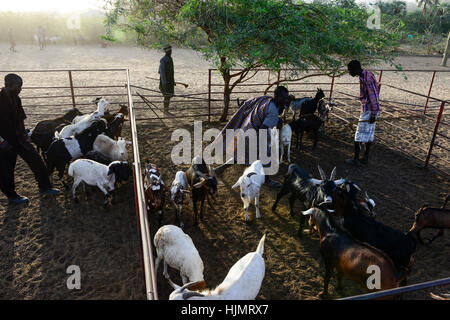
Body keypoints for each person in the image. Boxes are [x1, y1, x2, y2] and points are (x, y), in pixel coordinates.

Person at [213, 86, 291, 188]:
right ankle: (267, 181)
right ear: (278, 97)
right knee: (267, 156)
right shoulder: (273, 113)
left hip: (245, 129)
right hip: (254, 134)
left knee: (240, 154)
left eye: (287, 97)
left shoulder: (266, 100)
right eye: (284, 98)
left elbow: (249, 104)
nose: (286, 100)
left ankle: (219, 169)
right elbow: (263, 130)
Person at [0, 74, 59, 205]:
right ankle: (12, 196)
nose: (21, 89)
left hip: (20, 138)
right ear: (9, 85)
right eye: (19, 86)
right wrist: (2, 142)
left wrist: (25, 135)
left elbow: (20, 119)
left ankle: (45, 187)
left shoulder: (16, 99)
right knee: (6, 169)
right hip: (5, 141)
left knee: (36, 160)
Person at [346, 60, 380, 166]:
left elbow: (373, 97)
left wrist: (373, 114)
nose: (349, 72)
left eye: (350, 70)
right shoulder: (364, 76)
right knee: (369, 134)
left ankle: (356, 159)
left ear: (355, 69)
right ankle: (365, 158)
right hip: (370, 109)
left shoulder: (367, 79)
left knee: (359, 135)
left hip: (370, 110)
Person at [159, 45, 175, 114]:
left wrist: (173, 80)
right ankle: (165, 111)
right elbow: (162, 72)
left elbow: (172, 72)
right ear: (166, 52)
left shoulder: (170, 59)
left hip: (170, 81)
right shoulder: (163, 60)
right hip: (165, 81)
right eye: (169, 51)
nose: (170, 52)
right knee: (166, 96)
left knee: (168, 96)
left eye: (171, 51)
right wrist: (164, 82)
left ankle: (166, 110)